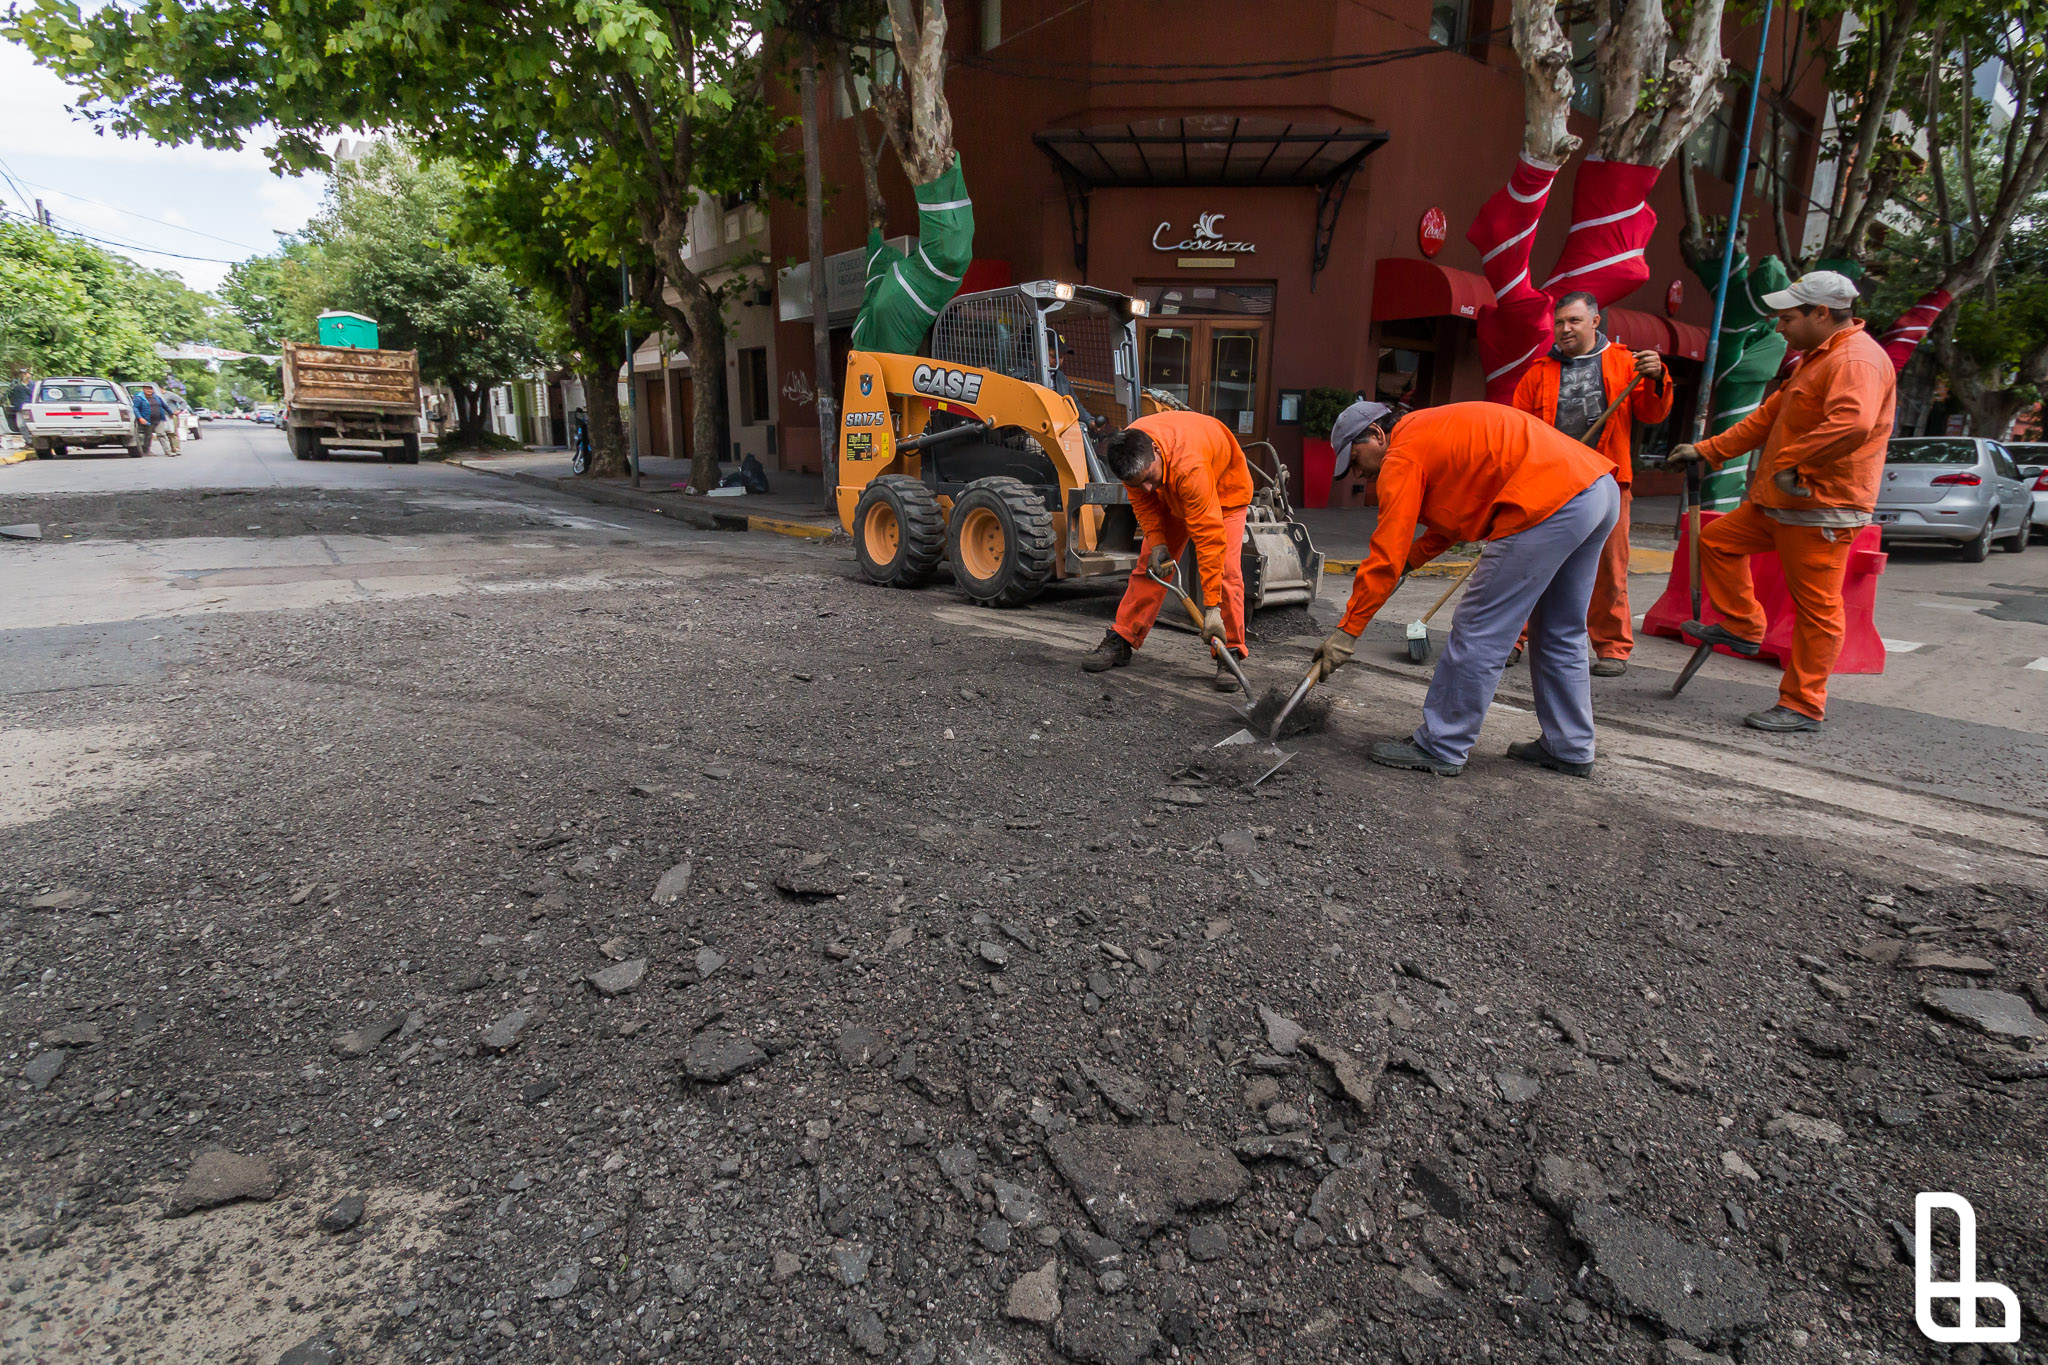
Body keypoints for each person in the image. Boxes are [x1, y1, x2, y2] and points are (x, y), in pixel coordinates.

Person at [1308, 401, 1620, 777]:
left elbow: (1385, 555)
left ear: (1377, 434)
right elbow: (1453, 522)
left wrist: (1347, 632)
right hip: (1597, 489)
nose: (1359, 473)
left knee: (1479, 628)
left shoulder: (1402, 455)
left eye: (1356, 459)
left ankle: (1443, 744)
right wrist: (1411, 560)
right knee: (1559, 630)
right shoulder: (1430, 431)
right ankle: (1570, 746)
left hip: (1549, 501)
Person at [1666, 270, 1896, 733]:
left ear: (1822, 313)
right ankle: (1744, 626)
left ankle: (1803, 705)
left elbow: (1853, 424)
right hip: (1781, 500)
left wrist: (1794, 462)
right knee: (1718, 540)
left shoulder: (1856, 361)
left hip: (1821, 506)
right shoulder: (1817, 358)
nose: (1779, 327)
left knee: (1816, 610)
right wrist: (1708, 451)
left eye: (1788, 318)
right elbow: (1765, 419)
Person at [1510, 291, 1672, 675]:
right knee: (1532, 561)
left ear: (1595, 321)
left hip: (1609, 480)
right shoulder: (1539, 371)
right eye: (1560, 322)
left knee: (1610, 567)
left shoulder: (1624, 362)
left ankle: (1612, 646)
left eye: (1574, 321)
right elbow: (1519, 429)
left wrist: (1658, 377)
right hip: (1552, 480)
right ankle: (1514, 637)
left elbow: (1652, 413)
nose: (1565, 329)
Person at [1083, 410, 1255, 692]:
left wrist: (1211, 608)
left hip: (1224, 493)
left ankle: (1229, 650)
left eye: (1149, 477)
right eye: (1140, 483)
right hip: (1173, 491)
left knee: (1226, 572)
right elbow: (1144, 501)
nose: (1147, 487)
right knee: (1150, 566)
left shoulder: (1190, 466)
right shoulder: (1130, 457)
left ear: (1154, 449)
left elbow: (1209, 539)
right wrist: (1158, 541)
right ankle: (1124, 637)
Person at [132, 383, 170, 456]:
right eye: (146, 389)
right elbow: (135, 408)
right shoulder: (139, 398)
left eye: (150, 389)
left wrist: (171, 413)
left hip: (158, 419)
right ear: (143, 390)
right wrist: (140, 418)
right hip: (147, 420)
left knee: (161, 434)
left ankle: (167, 451)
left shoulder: (157, 397)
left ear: (152, 390)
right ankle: (146, 451)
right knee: (148, 436)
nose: (148, 390)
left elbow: (165, 406)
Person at [5, 369, 29, 436]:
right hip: (20, 408)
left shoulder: (32, 385)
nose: (22, 375)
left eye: (24, 373)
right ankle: (28, 441)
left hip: (29, 408)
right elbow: (9, 395)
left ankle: (29, 440)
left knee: (26, 424)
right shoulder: (15, 386)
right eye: (21, 374)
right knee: (21, 424)